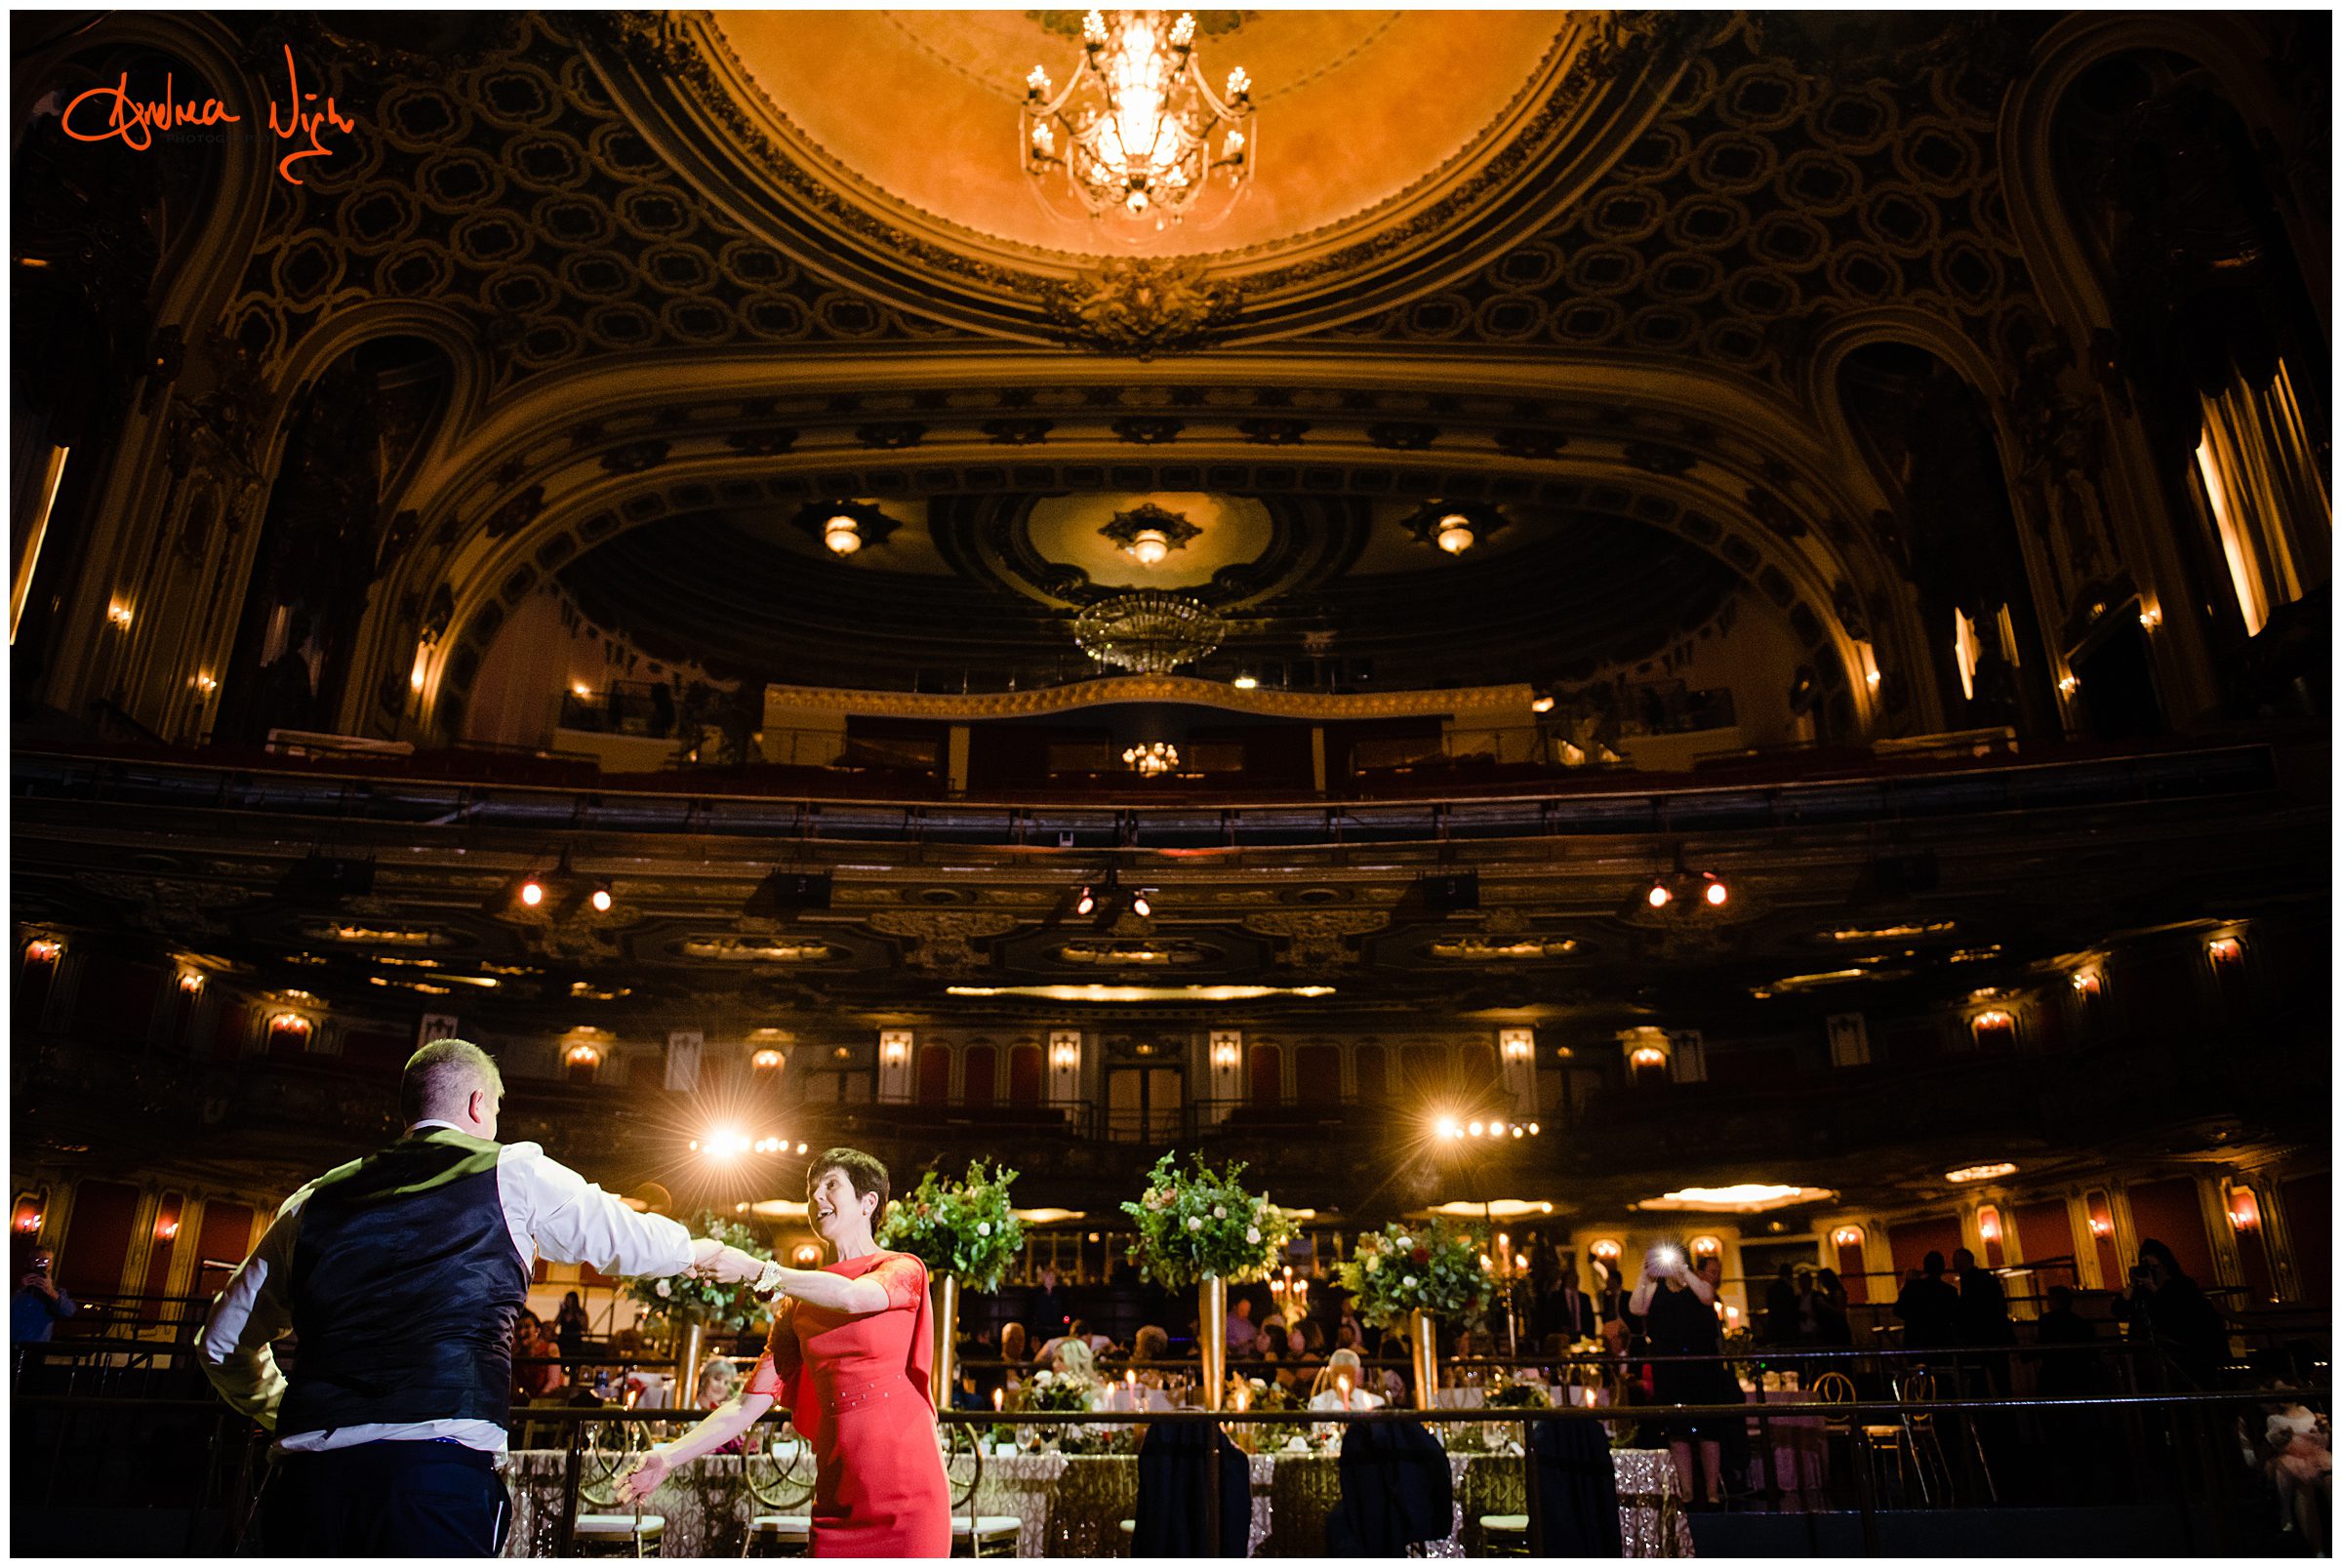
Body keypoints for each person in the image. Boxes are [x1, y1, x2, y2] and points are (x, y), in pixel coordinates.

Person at [195, 1039, 763, 1556]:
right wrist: (709, 1254)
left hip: (307, 1479)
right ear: (476, 1104)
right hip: (433, 1476)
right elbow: (627, 1239)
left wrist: (280, 1407)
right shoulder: (512, 1172)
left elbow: (221, 1342)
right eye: (495, 1109)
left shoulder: (310, 1200)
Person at [618, 1147, 949, 1557]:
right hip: (837, 1493)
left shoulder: (902, 1269)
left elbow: (852, 1297)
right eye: (811, 1190)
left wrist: (756, 1270)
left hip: (909, 1490)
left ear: (869, 1202)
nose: (817, 1197)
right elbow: (746, 1406)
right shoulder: (797, 1305)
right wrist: (669, 1456)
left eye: (831, 1185)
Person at [1630, 1241, 1733, 1507]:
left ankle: (1711, 1492)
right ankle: (1687, 1491)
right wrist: (1645, 1273)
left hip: (1701, 1365)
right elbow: (1636, 1308)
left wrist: (1683, 1270)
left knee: (1708, 1429)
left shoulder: (1697, 1284)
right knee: (1677, 1431)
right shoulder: (1655, 1287)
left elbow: (1707, 1297)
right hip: (1669, 1367)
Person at [2114, 1239, 2229, 1389]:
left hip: (2180, 1354)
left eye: (2154, 1267)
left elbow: (2179, 1313)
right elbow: (2119, 1311)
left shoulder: (2182, 1284)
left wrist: (2154, 1288)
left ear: (2165, 1263)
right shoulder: (2141, 1290)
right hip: (2148, 1357)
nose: (2151, 1271)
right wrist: (2132, 1285)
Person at [1893, 1252, 1961, 1359]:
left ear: (1925, 1267)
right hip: (1941, 1340)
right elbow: (1955, 1316)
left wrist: (1914, 1319)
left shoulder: (1912, 1288)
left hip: (1915, 1341)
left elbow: (1898, 1310)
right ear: (1942, 1268)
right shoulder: (1949, 1291)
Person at [12, 1246, 76, 1344]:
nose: (41, 1264)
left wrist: (51, 1292)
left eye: (46, 1261)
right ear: (29, 1263)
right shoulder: (13, 1286)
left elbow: (69, 1311)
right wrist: (19, 1290)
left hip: (37, 1345)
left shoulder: (57, 1291)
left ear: (51, 1265)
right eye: (36, 1260)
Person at [1025, 1266, 1070, 1343]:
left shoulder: (1060, 1294)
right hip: (1040, 1328)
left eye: (1053, 1276)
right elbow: (1030, 1312)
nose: (1050, 1279)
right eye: (1048, 1276)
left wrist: (1065, 1323)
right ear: (1044, 1278)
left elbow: (1065, 1312)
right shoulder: (1036, 1293)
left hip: (1057, 1328)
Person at [554, 1289, 589, 1374]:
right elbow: (555, 1324)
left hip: (575, 1342)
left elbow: (585, 1328)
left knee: (574, 1365)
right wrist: (560, 1312)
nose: (567, 1302)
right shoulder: (563, 1313)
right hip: (563, 1342)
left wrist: (577, 1315)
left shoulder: (580, 1313)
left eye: (569, 1300)